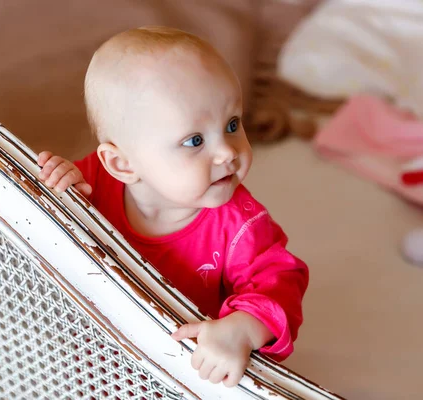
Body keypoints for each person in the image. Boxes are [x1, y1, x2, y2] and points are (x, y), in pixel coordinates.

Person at [37, 26, 308, 387]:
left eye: (232, 124)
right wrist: (56, 188)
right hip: (97, 357)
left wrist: (243, 328)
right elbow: (41, 241)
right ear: (122, 165)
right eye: (194, 140)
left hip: (189, 371)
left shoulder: (242, 225)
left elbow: (280, 284)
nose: (227, 151)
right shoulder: (88, 186)